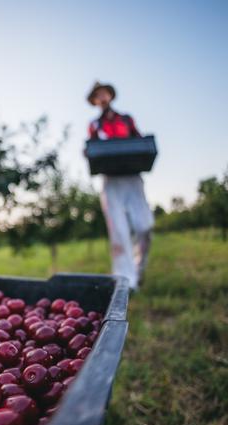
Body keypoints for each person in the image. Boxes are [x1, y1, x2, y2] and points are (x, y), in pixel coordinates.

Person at [86, 82, 154, 290]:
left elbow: (139, 141)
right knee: (119, 232)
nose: (102, 98)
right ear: (95, 101)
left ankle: (138, 267)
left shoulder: (126, 119)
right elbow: (93, 148)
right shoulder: (95, 125)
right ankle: (126, 282)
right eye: (98, 96)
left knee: (145, 225)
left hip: (132, 177)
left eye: (104, 93)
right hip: (111, 180)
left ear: (111, 96)